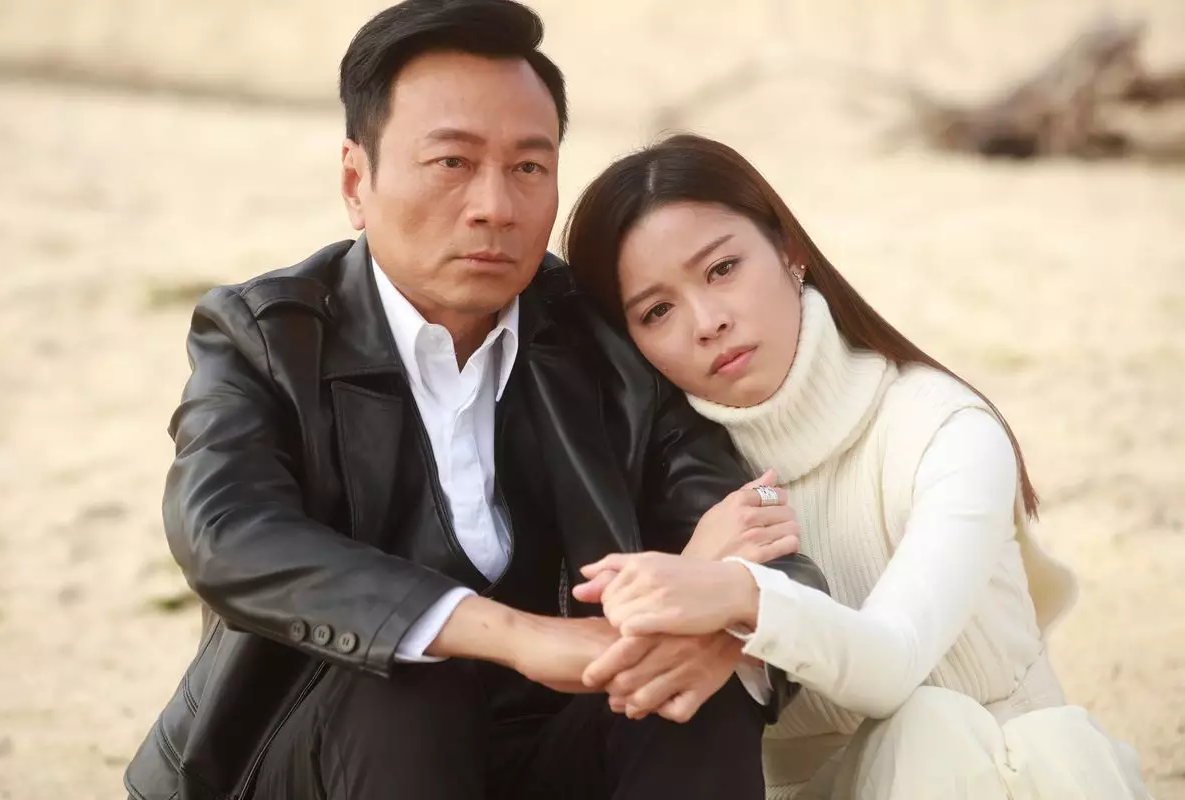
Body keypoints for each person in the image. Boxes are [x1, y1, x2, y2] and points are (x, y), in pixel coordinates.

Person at [122, 4, 828, 800]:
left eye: (528, 168)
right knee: (409, 672)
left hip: (549, 752)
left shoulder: (601, 333)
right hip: (310, 760)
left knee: (689, 685)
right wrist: (516, 637)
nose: (496, 205)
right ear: (356, 182)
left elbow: (768, 551)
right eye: (452, 162)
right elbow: (224, 532)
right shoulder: (266, 336)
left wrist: (725, 626)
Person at [564, 133, 1150, 799]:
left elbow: (893, 663)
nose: (707, 321)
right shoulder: (665, 487)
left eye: (722, 269)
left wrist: (736, 592)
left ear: (790, 250)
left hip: (1015, 781)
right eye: (657, 310)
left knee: (929, 728)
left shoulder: (942, 429)